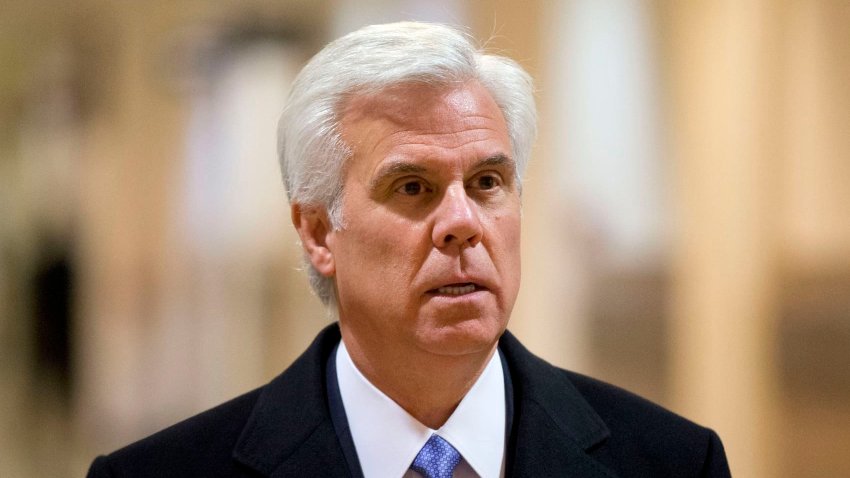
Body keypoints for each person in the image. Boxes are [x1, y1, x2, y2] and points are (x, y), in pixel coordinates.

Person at [87, 22, 731, 477]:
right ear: (316, 232)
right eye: (413, 186)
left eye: (488, 182)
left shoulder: (673, 461)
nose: (462, 223)